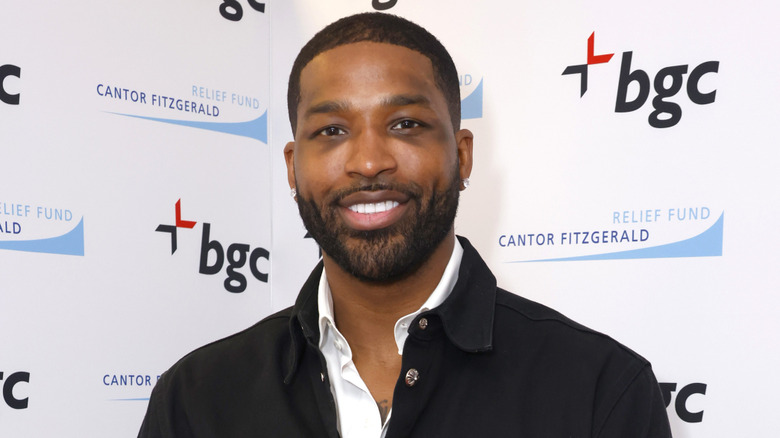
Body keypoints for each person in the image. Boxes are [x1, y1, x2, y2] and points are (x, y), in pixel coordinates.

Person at [138, 12, 672, 438]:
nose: (368, 162)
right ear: (292, 168)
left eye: (406, 124)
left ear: (462, 156)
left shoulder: (600, 389)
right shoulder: (197, 399)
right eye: (331, 130)